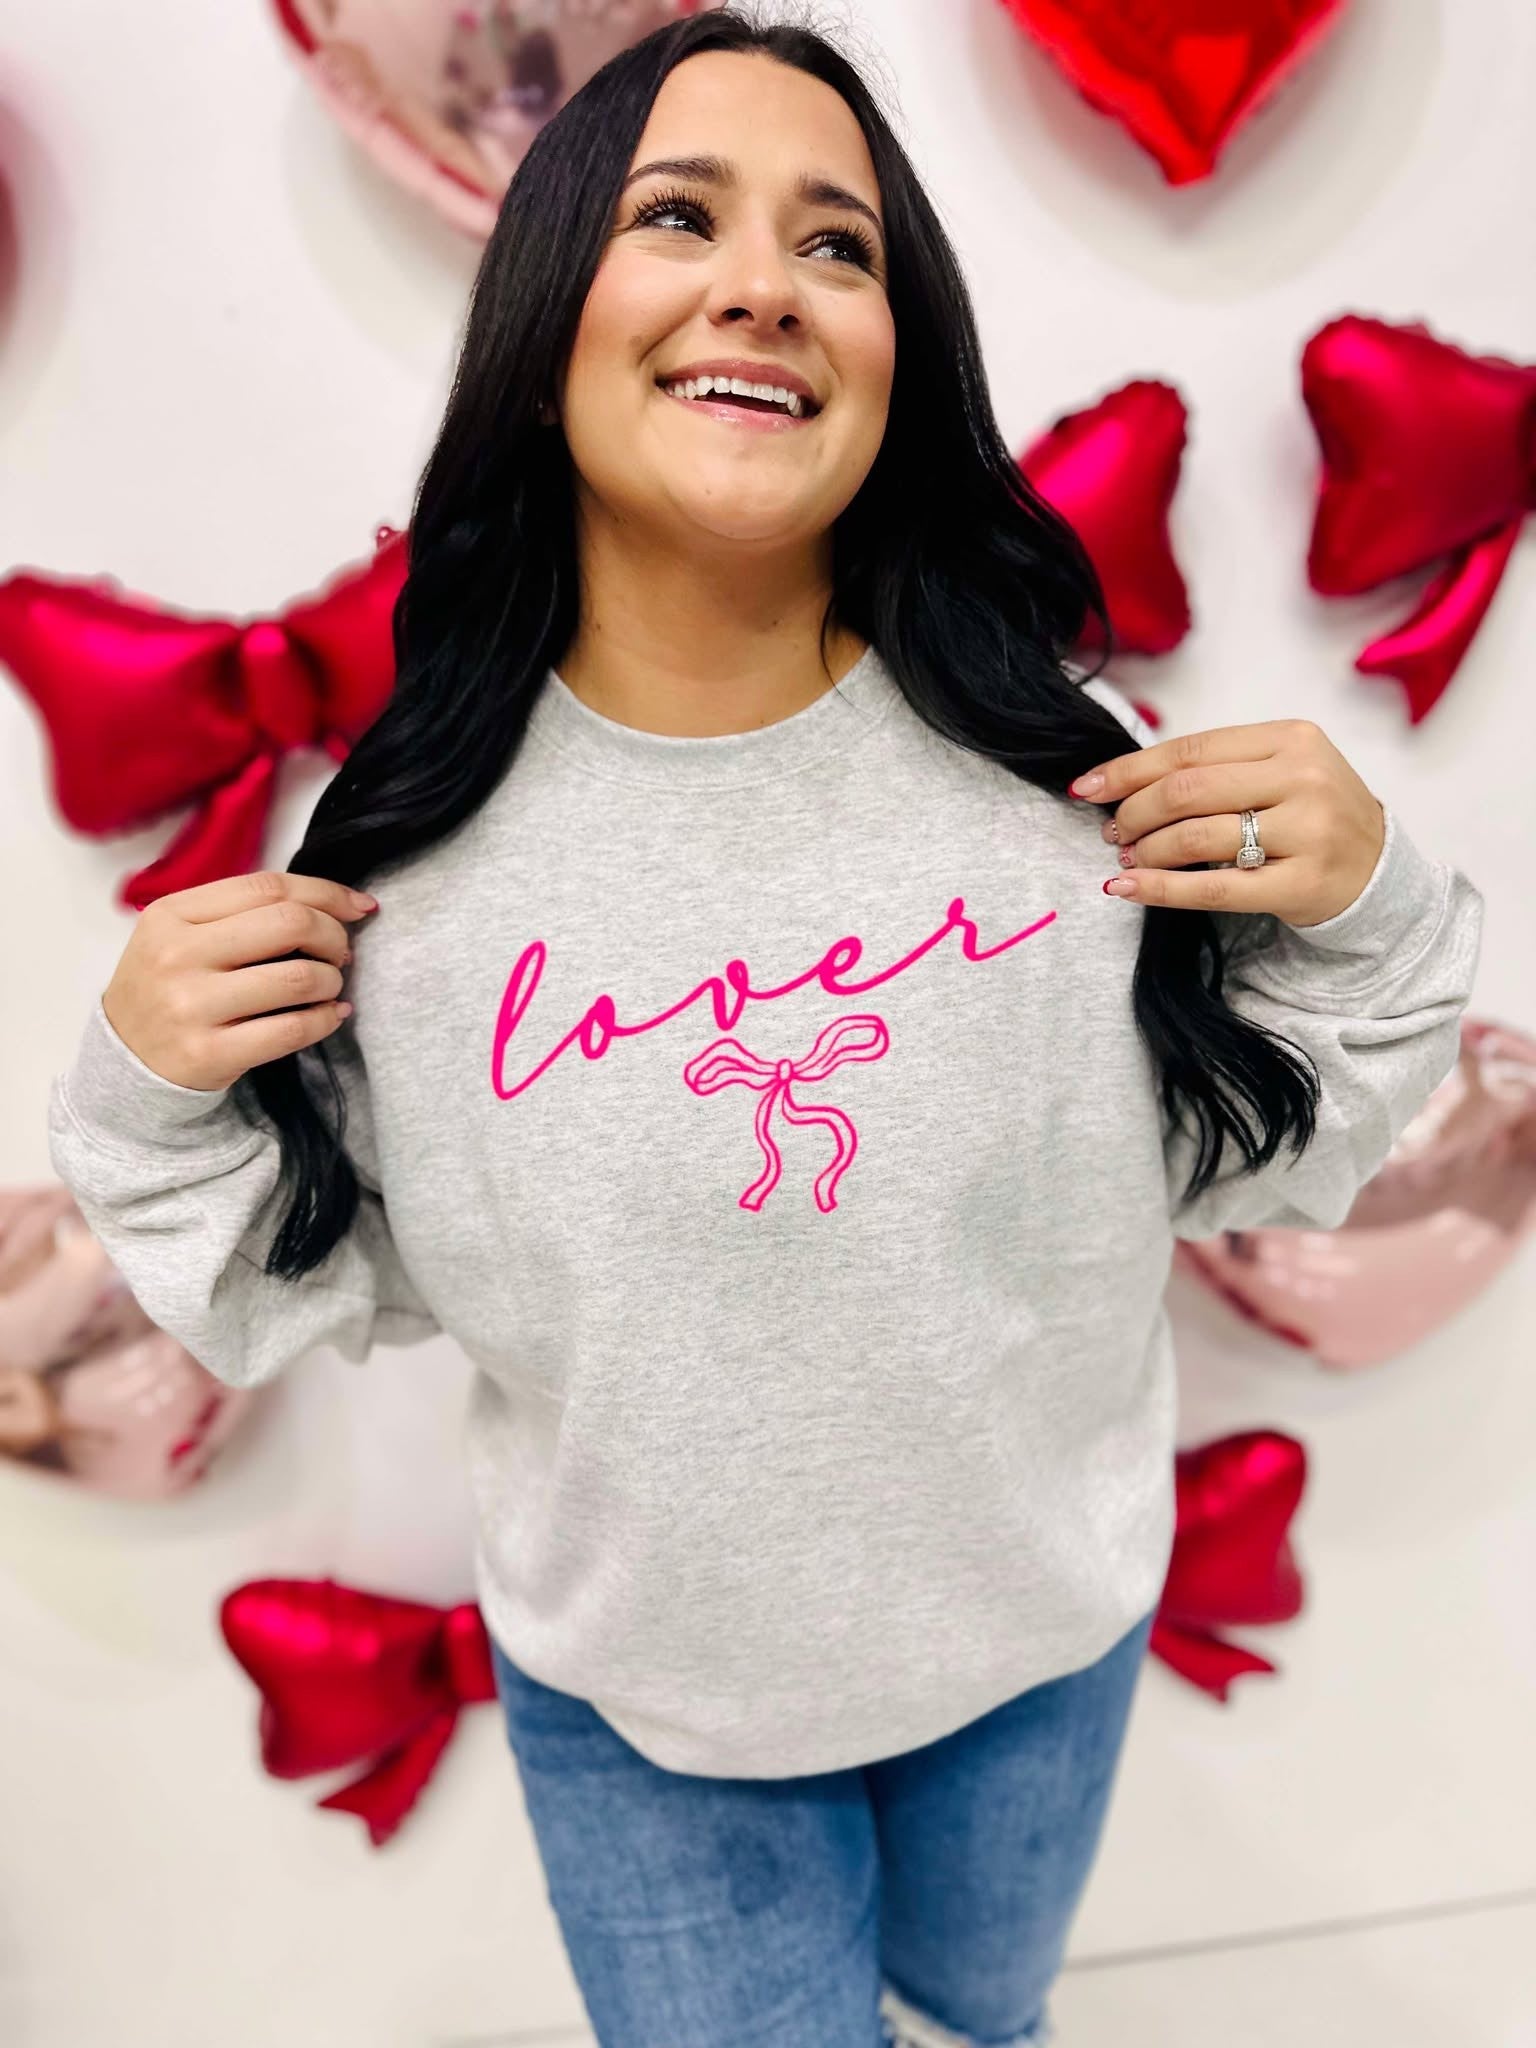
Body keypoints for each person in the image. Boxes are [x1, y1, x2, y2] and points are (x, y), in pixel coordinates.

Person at [46, 9, 1484, 2044]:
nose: (761, 282)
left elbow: (1280, 1148)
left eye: (839, 244)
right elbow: (302, 1295)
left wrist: (1373, 899)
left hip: (1038, 1664)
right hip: (647, 1721)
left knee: (978, 2025)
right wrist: (143, 1079)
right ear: (550, 314)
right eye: (677, 214)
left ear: (905, 353)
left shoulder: (1072, 780)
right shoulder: (397, 860)